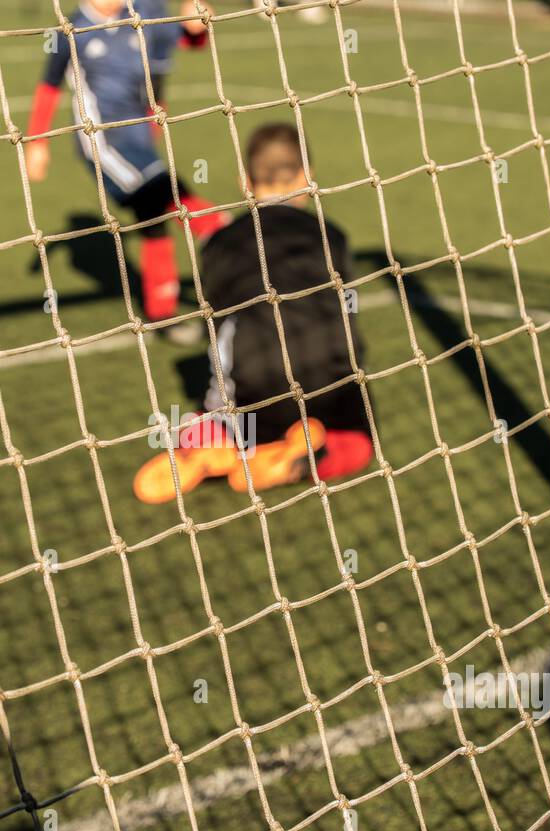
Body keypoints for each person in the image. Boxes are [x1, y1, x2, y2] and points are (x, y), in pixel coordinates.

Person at [133, 123, 374, 504]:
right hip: (328, 380)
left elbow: (223, 330)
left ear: (244, 181)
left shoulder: (220, 244)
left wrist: (216, 401)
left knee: (218, 408)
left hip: (258, 384)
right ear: (308, 177)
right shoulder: (334, 236)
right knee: (361, 441)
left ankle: (207, 445)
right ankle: (313, 459)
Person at [24, 0, 226, 329]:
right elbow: (48, 87)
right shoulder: (71, 32)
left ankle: (162, 309)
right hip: (101, 141)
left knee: (152, 213)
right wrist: (37, 142)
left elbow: (186, 39)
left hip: (139, 138)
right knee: (162, 193)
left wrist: (197, 25)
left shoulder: (140, 15)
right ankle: (225, 234)